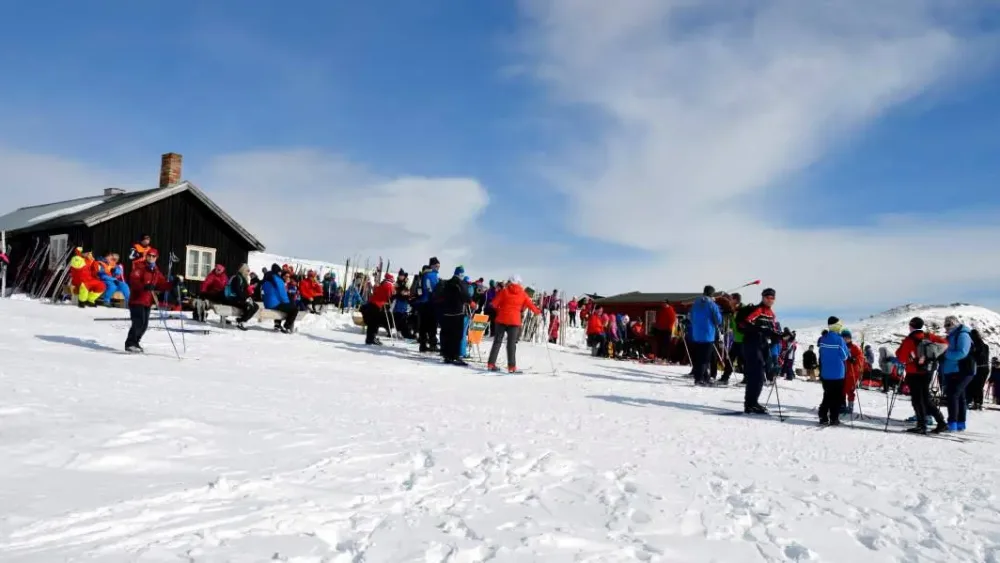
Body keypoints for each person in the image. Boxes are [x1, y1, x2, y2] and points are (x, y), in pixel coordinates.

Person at [895, 316, 948, 434]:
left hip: (914, 373)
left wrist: (909, 356)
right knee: (925, 398)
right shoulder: (928, 336)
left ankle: (922, 425)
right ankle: (941, 422)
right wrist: (932, 356)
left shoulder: (909, 340)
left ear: (911, 326)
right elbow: (945, 343)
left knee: (917, 400)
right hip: (927, 371)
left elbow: (901, 357)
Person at [125, 249, 180, 352]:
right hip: (137, 300)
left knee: (144, 325)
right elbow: (133, 281)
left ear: (156, 258)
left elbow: (162, 284)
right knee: (138, 322)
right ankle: (130, 343)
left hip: (147, 301)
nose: (151, 257)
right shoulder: (140, 267)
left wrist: (173, 283)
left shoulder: (156, 271)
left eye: (153, 256)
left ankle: (136, 343)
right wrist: (144, 287)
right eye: (149, 255)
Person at [737, 287, 780, 414]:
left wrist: (781, 336)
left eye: (772, 298)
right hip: (751, 343)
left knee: (760, 376)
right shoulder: (758, 310)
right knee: (756, 375)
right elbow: (744, 324)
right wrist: (760, 329)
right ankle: (750, 404)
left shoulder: (771, 314)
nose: (770, 300)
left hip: (763, 345)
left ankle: (753, 402)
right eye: (767, 297)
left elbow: (772, 331)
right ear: (762, 297)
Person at [487, 275, 541, 372]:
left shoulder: (504, 291)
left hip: (501, 319)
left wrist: (500, 309)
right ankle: (511, 367)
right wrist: (537, 311)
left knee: (497, 342)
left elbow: (494, 304)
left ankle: (491, 364)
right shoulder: (523, 293)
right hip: (514, 321)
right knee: (511, 344)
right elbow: (530, 305)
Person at [940, 315, 974, 432]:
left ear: (954, 323)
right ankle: (960, 423)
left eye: (948, 324)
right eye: (945, 324)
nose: (946, 327)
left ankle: (952, 423)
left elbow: (962, 352)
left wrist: (946, 354)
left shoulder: (963, 335)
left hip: (962, 370)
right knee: (959, 396)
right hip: (953, 370)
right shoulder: (952, 336)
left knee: (953, 395)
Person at [817, 317, 850, 425]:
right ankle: (834, 418)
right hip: (837, 373)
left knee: (827, 395)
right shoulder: (839, 340)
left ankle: (823, 416)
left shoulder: (823, 338)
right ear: (837, 326)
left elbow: (821, 353)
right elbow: (845, 356)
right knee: (836, 397)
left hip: (825, 373)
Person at [436, 266, 471, 365]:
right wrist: (470, 302)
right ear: (460, 274)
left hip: (446, 312)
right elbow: (466, 296)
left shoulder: (447, 283)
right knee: (456, 335)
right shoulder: (460, 283)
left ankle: (446, 355)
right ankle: (455, 355)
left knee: (446, 334)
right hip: (457, 313)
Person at [689, 285, 722, 386]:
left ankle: (705, 377)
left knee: (699, 357)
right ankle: (699, 379)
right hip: (708, 334)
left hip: (696, 334)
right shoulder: (712, 304)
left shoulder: (695, 303)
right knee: (705, 358)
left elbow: (691, 317)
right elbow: (718, 320)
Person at [260, 263, 298, 333]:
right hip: (274, 304)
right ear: (278, 271)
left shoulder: (267, 278)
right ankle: (287, 326)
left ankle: (277, 324)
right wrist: (288, 303)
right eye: (280, 271)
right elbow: (282, 293)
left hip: (267, 303)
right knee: (294, 309)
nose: (280, 273)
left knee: (283, 305)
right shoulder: (277, 279)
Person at [222, 264, 260, 330]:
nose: (248, 273)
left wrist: (248, 297)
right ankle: (240, 321)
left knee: (256, 306)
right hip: (232, 298)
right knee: (249, 306)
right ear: (243, 270)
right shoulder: (237, 278)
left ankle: (241, 319)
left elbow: (245, 290)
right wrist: (245, 298)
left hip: (239, 298)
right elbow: (237, 291)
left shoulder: (243, 278)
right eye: (247, 271)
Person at [361, 273, 394, 345]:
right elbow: (389, 296)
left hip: (372, 303)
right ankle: (371, 338)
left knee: (372, 323)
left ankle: (370, 338)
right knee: (375, 323)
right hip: (377, 305)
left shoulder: (383, 284)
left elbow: (376, 291)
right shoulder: (389, 285)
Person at [416, 257, 441, 352]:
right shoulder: (432, 275)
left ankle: (422, 344)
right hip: (430, 303)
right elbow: (435, 289)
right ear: (432, 265)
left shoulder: (424, 274)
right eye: (437, 266)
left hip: (422, 302)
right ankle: (432, 344)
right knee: (432, 324)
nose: (438, 268)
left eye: (439, 266)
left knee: (423, 325)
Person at [841, 329, 864, 415]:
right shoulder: (841, 347)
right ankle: (842, 405)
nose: (845, 339)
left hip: (852, 372)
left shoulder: (854, 347)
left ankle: (850, 407)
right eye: (843, 338)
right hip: (842, 371)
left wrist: (855, 359)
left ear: (850, 338)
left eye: (847, 338)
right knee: (841, 389)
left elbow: (860, 357)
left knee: (850, 390)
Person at [968, 328, 990, 410]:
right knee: (979, 386)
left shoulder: (977, 345)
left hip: (980, 368)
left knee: (976, 385)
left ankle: (977, 402)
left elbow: (978, 354)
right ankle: (978, 402)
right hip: (985, 368)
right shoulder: (985, 346)